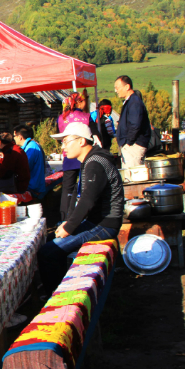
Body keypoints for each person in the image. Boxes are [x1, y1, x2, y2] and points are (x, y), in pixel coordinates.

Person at [37, 122, 125, 292]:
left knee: (48, 252)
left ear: (81, 141)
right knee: (50, 243)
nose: (63, 147)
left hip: (104, 224)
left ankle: (54, 295)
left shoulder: (95, 163)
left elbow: (87, 201)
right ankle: (60, 284)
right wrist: (68, 224)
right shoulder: (91, 160)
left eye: (66, 142)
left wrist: (69, 227)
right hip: (97, 221)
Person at [58, 91, 90, 220]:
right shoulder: (86, 116)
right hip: (83, 154)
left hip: (69, 155)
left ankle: (64, 217)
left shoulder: (62, 118)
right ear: (79, 102)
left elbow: (59, 135)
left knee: (67, 188)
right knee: (84, 187)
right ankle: (82, 216)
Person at [114, 75, 151, 167]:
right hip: (131, 145)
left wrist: (129, 143)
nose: (116, 91)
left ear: (127, 87)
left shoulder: (134, 102)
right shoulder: (131, 101)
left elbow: (135, 125)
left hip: (134, 146)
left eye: (117, 88)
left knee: (132, 175)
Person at [13, 124, 47, 200]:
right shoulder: (30, 145)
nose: (13, 138)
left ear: (20, 137)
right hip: (33, 183)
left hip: (33, 186)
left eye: (14, 136)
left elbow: (23, 168)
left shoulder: (31, 148)